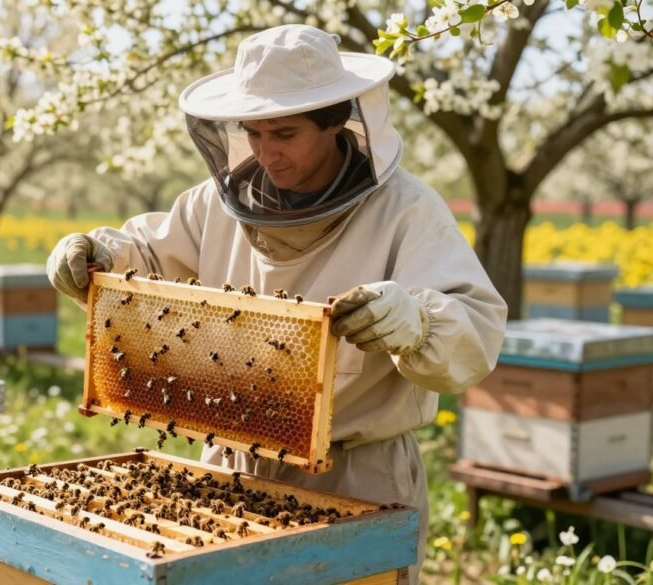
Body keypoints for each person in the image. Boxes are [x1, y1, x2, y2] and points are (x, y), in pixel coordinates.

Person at [47, 24, 507, 583]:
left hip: (354, 476)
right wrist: (93, 253)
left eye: (285, 133)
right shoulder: (214, 205)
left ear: (337, 120)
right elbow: (143, 253)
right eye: (254, 133)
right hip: (231, 464)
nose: (267, 153)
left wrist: (416, 321)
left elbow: (475, 332)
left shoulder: (407, 211)